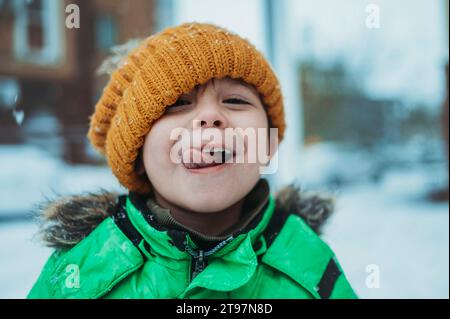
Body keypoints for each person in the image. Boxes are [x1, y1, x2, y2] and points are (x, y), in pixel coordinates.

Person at [28, 22, 356, 299]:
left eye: (235, 100)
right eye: (178, 103)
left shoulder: (308, 265)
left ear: (267, 145)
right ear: (137, 155)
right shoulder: (81, 272)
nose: (210, 116)